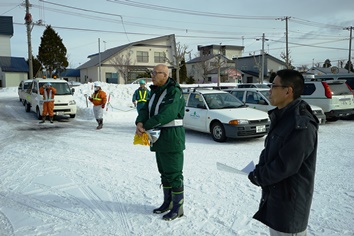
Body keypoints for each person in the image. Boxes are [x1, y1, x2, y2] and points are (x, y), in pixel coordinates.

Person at [248, 69, 319, 236]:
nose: (269, 91)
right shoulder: (283, 117)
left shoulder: (301, 124)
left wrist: (260, 176)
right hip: (278, 200)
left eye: (274, 86)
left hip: (290, 207)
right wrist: (259, 169)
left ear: (288, 91)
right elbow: (270, 153)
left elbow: (285, 166)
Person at [135, 64, 185, 221]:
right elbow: (144, 109)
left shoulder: (173, 91)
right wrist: (140, 122)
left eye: (156, 73)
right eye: (152, 73)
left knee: (174, 173)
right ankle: (168, 203)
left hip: (172, 137)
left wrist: (146, 126)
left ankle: (178, 208)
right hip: (159, 137)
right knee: (164, 172)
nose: (153, 76)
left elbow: (167, 114)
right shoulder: (155, 91)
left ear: (165, 75)